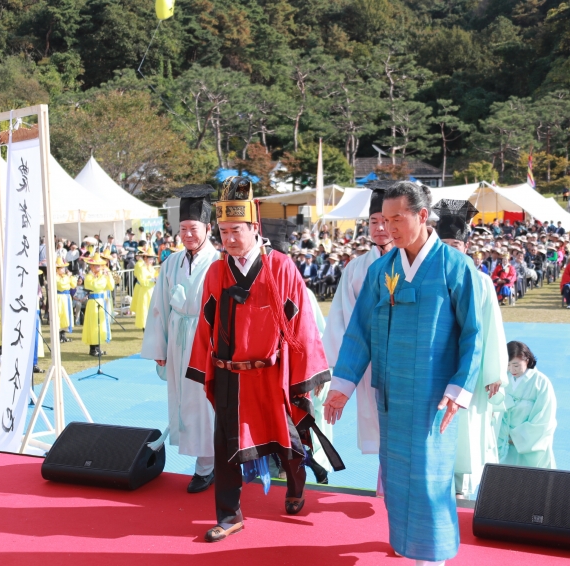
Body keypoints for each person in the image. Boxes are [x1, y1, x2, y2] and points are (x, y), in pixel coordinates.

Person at [325, 181, 483, 565]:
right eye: (384, 219)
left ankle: (433, 554)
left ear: (422, 216)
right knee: (395, 475)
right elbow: (359, 331)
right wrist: (342, 386)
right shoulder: (383, 270)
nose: (390, 228)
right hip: (392, 393)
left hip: (432, 394)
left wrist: (458, 388)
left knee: (430, 476)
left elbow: (474, 334)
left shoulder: (455, 266)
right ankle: (406, 542)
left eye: (398, 219)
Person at [186, 177, 340, 543]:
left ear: (254, 228)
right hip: (229, 374)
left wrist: (303, 378)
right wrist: (202, 367)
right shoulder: (217, 271)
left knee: (286, 436)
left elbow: (301, 324)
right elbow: (206, 322)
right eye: (222, 231)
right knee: (224, 444)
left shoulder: (281, 267)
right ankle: (229, 514)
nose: (228, 238)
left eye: (235, 230)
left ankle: (296, 483)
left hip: (271, 374)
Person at [141, 185, 220, 494]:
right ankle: (202, 461)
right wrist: (159, 347)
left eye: (194, 228)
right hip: (177, 339)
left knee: (205, 404)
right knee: (183, 401)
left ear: (208, 228)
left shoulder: (219, 262)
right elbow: (159, 307)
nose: (187, 234)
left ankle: (207, 465)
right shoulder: (171, 263)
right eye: (183, 228)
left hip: (206, 343)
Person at [433, 199, 507, 500]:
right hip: (434, 366)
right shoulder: (428, 276)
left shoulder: (482, 281)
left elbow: (491, 329)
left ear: (466, 246)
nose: (451, 249)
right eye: (445, 243)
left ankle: (462, 486)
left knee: (466, 429)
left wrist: (493, 372)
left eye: (456, 243)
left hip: (469, 369)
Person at [322, 182, 395, 458]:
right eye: (373, 222)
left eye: (385, 222)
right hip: (367, 356)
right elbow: (341, 318)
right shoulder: (355, 267)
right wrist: (334, 369)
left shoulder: (410, 262)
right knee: (373, 419)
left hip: (401, 355)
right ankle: (383, 480)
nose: (378, 228)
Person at [498, 341, 557, 469]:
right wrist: (501, 434)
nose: (512, 370)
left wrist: (517, 437)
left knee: (532, 482)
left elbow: (544, 417)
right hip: (503, 443)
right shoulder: (502, 379)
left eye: (516, 365)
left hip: (530, 445)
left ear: (527, 360)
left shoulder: (541, 383)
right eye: (508, 365)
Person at [82, 252, 115, 356]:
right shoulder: (88, 276)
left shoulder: (102, 276)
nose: (99, 267)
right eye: (96, 265)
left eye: (100, 265)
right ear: (91, 266)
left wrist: (108, 276)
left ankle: (98, 347)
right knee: (93, 324)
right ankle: (93, 349)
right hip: (93, 302)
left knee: (101, 324)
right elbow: (95, 286)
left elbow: (110, 287)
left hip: (101, 301)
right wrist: (103, 278)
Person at [132, 247, 157, 331]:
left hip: (152, 291)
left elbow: (154, 276)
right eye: (150, 258)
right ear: (145, 258)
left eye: (152, 259)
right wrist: (152, 280)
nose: (152, 261)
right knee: (145, 311)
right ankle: (145, 329)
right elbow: (143, 281)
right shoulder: (141, 267)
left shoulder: (151, 267)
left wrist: (155, 279)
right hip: (145, 292)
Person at [54, 256, 78, 343]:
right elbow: (61, 285)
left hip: (66, 297)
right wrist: (67, 278)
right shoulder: (55, 276)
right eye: (62, 268)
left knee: (66, 316)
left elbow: (73, 284)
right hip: (59, 297)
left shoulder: (64, 276)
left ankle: (63, 334)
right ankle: (59, 334)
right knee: (60, 315)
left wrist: (70, 277)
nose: (64, 269)